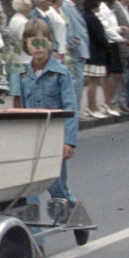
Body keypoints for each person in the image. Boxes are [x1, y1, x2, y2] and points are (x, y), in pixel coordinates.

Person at [19, 18, 79, 215]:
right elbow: (24, 109)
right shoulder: (24, 75)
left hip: (55, 139)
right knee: (29, 188)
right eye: (31, 42)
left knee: (57, 188)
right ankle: (35, 238)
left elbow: (71, 108)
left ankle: (75, 214)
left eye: (41, 41)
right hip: (33, 140)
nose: (37, 47)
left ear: (50, 42)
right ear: (26, 46)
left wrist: (69, 141)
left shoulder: (61, 73)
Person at [61, 0, 89, 115]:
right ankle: (74, 111)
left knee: (79, 80)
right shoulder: (66, 6)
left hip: (80, 48)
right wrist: (73, 42)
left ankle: (75, 110)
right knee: (77, 81)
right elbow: (68, 24)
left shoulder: (72, 6)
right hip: (76, 49)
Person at [82, 0, 109, 119]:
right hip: (95, 53)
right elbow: (99, 36)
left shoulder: (84, 16)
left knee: (92, 81)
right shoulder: (92, 18)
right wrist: (106, 45)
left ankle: (92, 106)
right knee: (93, 82)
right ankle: (91, 107)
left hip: (90, 52)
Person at [8, 0, 33, 106]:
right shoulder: (21, 22)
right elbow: (25, 41)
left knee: (20, 93)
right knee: (20, 94)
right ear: (26, 6)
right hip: (23, 62)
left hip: (18, 60)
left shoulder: (16, 19)